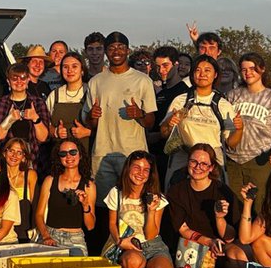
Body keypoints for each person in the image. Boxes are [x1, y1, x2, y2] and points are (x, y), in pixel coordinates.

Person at [81, 31, 157, 203]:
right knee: (102, 205)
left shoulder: (143, 80)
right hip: (102, 154)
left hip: (132, 154)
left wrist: (140, 115)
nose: (116, 51)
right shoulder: (96, 81)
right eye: (112, 48)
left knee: (133, 204)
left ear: (128, 50)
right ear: (107, 52)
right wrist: (92, 117)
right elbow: (89, 122)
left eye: (121, 47)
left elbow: (150, 122)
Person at [158, 55, 242, 189]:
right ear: (192, 74)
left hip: (212, 161)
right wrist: (169, 122)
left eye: (207, 70)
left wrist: (239, 129)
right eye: (198, 70)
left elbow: (231, 142)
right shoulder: (181, 100)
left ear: (215, 75)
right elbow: (164, 133)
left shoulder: (223, 105)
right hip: (182, 158)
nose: (202, 74)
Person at [223, 52, 271, 212]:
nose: (248, 73)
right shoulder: (232, 96)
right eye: (244, 69)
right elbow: (226, 131)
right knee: (235, 209)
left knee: (261, 208)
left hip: (260, 160)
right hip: (233, 161)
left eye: (252, 68)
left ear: (262, 69)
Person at [103, 150, 171, 268]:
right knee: (133, 263)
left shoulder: (158, 198)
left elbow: (151, 235)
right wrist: (120, 242)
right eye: (137, 167)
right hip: (128, 243)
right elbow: (112, 223)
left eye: (146, 170)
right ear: (128, 168)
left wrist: (151, 211)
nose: (141, 173)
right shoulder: (116, 193)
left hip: (153, 245)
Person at [165, 143, 237, 257]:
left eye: (204, 164)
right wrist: (209, 242)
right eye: (193, 161)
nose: (198, 167)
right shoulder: (176, 191)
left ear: (211, 167)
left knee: (238, 255)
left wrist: (220, 218)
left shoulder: (222, 190)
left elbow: (230, 237)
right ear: (187, 162)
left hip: (220, 244)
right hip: (189, 245)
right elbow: (183, 230)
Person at [34, 139, 96, 256]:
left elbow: (90, 225)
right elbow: (39, 214)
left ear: (80, 155)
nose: (69, 156)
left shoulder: (89, 186)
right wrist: (46, 236)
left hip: (75, 238)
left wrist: (85, 205)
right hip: (50, 235)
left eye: (73, 152)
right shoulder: (50, 180)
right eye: (63, 154)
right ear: (59, 158)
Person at [0, 62, 52, 177]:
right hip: (8, 163)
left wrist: (36, 118)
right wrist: (8, 120)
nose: (19, 81)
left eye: (23, 78)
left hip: (34, 161)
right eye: (14, 78)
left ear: (28, 80)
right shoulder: (0, 104)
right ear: (8, 81)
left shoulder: (38, 103)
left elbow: (44, 138)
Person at [45, 51, 93, 156]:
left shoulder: (91, 92)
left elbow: (105, 127)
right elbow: (45, 125)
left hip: (86, 154)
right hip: (60, 155)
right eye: (65, 67)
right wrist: (55, 131)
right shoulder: (55, 95)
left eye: (74, 66)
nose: (70, 70)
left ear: (82, 70)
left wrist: (87, 132)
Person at [1, 136, 39, 242]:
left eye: (19, 152)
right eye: (11, 151)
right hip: (2, 234)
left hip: (24, 234)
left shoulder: (30, 175)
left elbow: (36, 206)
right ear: (4, 153)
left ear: (24, 157)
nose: (14, 155)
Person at [186, 25, 238, 92]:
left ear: (219, 51)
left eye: (211, 48)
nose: (207, 52)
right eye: (203, 48)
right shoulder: (192, 76)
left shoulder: (225, 73)